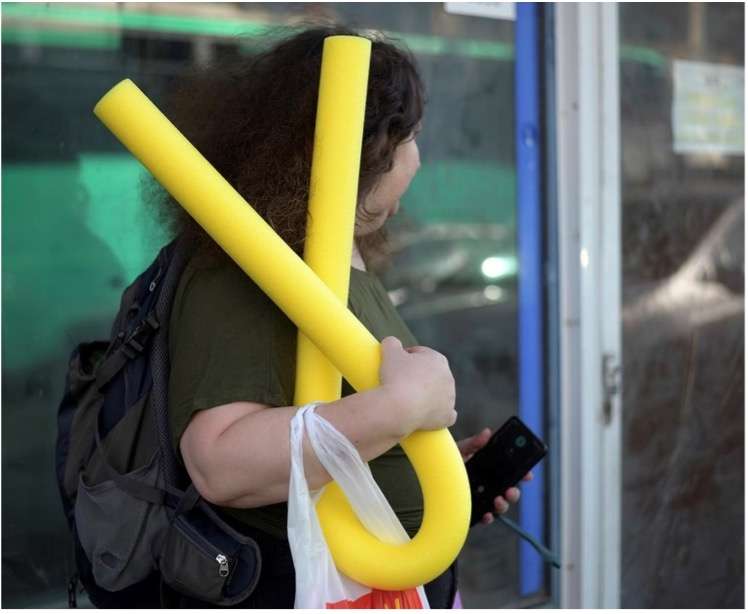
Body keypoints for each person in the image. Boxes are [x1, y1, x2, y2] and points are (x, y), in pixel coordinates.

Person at [154, 24, 532, 608]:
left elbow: (327, 423)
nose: (418, 161)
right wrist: (400, 408)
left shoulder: (332, 260)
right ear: (367, 150)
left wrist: (426, 463)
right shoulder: (247, 268)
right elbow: (220, 463)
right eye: (411, 138)